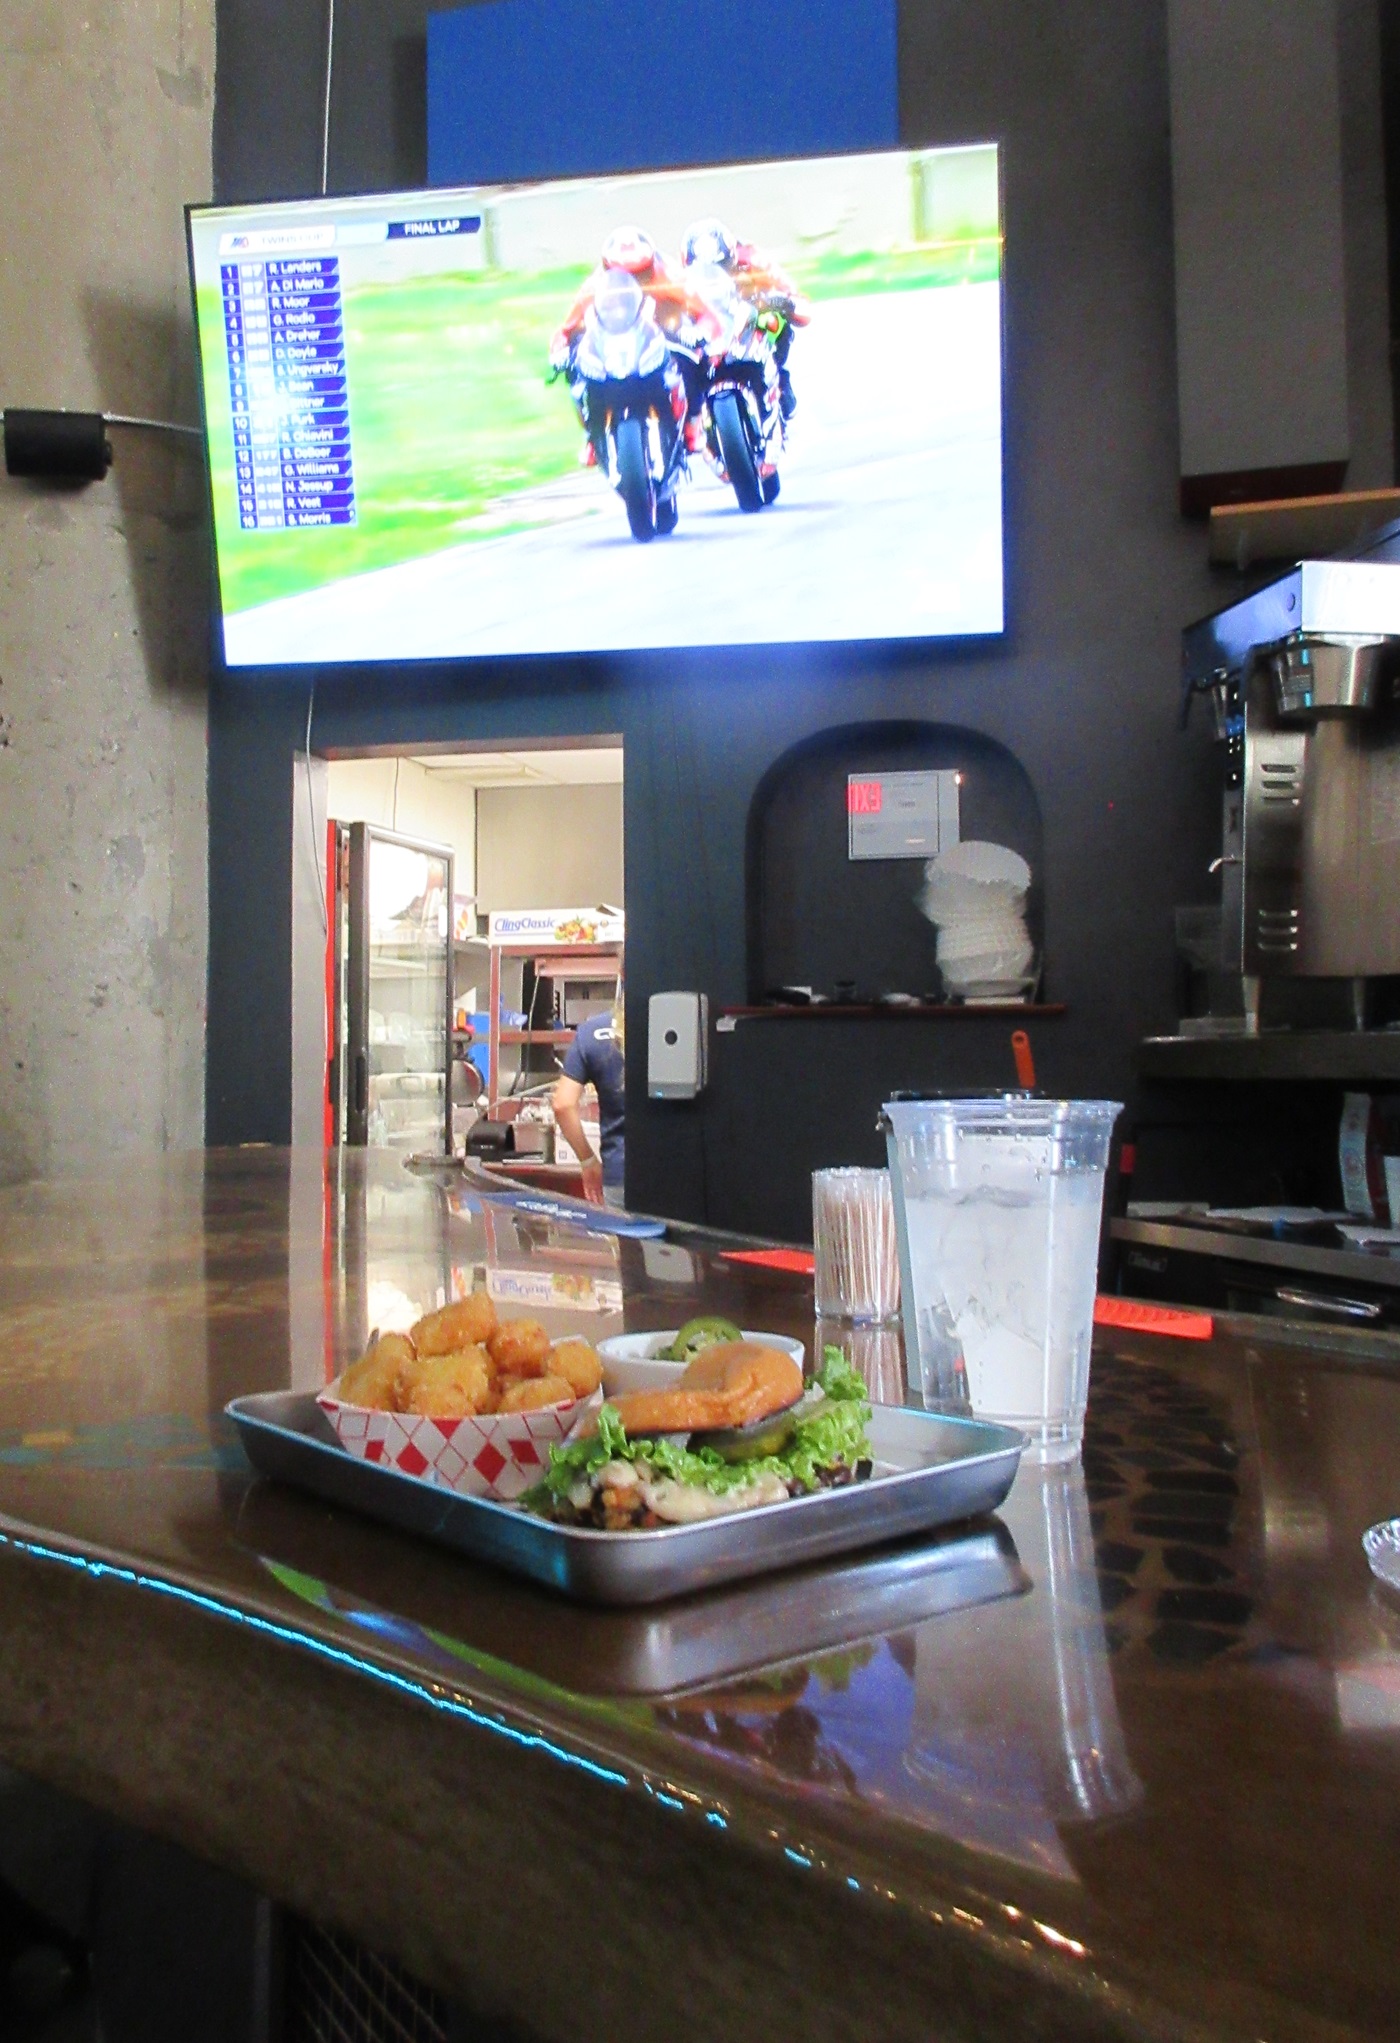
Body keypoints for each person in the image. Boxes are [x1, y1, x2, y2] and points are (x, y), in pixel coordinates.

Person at [548, 227, 720, 461]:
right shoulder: (594, 285)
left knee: (692, 356)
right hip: (615, 337)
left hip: (662, 330)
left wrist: (700, 333)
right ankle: (592, 433)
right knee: (577, 364)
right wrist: (559, 352)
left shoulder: (670, 275)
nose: (631, 280)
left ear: (651, 265)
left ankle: (692, 421)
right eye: (621, 273)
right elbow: (566, 330)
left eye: (639, 274)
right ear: (607, 269)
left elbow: (707, 315)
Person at [679, 215, 811, 419]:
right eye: (701, 271)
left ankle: (779, 377)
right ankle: (691, 418)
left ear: (731, 256)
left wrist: (783, 301)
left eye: (721, 266)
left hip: (749, 321)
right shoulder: (679, 279)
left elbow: (796, 300)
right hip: (707, 332)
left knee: (776, 320)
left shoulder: (752, 258)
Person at [552, 985, 625, 1207]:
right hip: (679, 1176)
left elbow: (563, 1104)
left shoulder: (592, 1032)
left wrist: (588, 1160)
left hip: (619, 1175)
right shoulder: (683, 1024)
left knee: (627, 1241)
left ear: (622, 975)